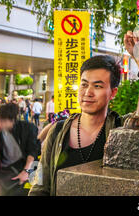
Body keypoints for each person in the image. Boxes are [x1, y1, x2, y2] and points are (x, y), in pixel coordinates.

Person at [29, 55, 123, 196]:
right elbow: (40, 185)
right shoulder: (58, 131)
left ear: (113, 92)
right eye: (84, 84)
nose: (88, 92)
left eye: (97, 86)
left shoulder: (121, 130)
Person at [0, 102, 40, 196]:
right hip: (5, 174)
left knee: (33, 192)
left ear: (13, 120)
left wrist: (26, 171)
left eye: (4, 121)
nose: (0, 124)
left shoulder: (28, 128)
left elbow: (32, 151)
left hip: (30, 168)